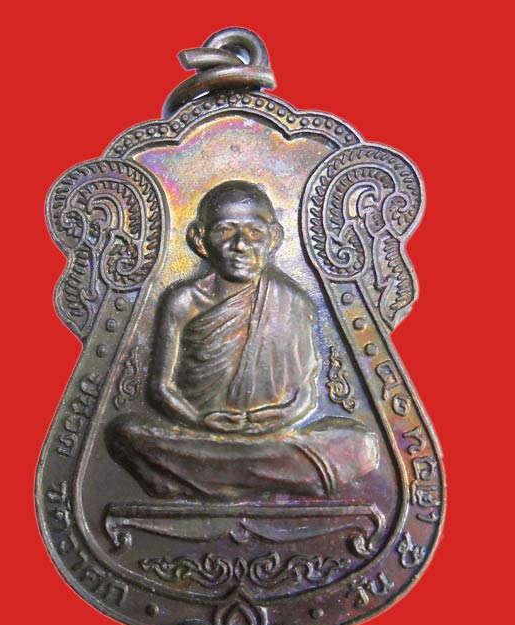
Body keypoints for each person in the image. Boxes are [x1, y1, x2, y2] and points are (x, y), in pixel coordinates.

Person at [107, 181, 378, 499]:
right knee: (125, 432)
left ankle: (204, 476)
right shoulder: (183, 301)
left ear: (273, 238)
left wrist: (280, 418)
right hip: (202, 434)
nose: (240, 245)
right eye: (224, 231)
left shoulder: (294, 302)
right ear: (199, 239)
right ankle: (265, 476)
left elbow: (306, 394)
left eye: (255, 232)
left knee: (359, 443)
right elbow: (161, 389)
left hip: (273, 435)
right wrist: (202, 421)